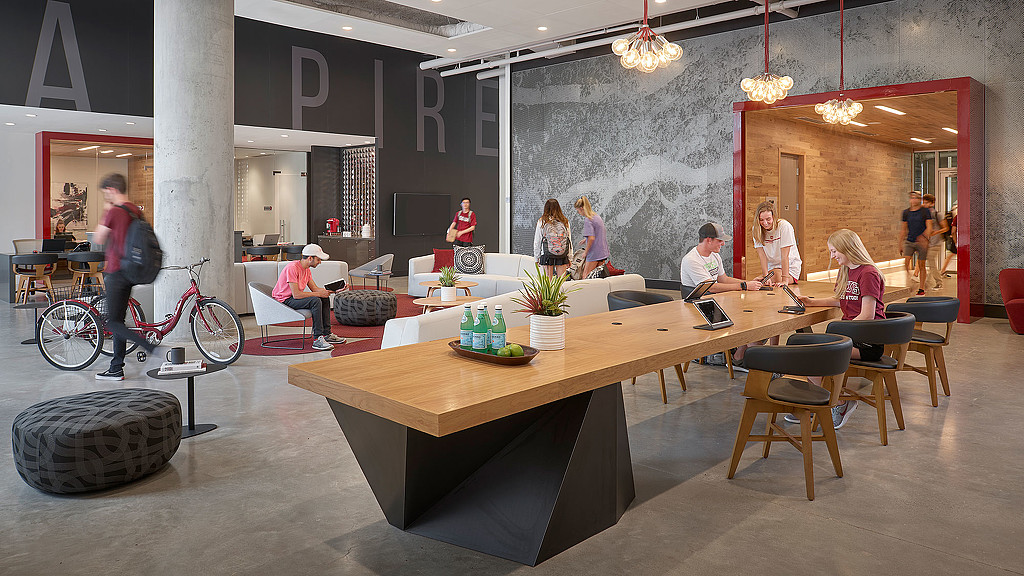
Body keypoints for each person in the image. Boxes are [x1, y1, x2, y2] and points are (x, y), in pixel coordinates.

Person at [795, 228, 887, 429]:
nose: (832, 256)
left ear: (848, 249)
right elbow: (840, 301)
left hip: (867, 341)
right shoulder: (846, 270)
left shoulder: (868, 273)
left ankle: (838, 404)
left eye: (834, 251)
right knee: (808, 351)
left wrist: (839, 332)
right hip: (851, 336)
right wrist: (812, 302)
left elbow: (867, 315)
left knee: (815, 355)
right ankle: (819, 403)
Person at [93, 173, 158, 381]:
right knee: (118, 320)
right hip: (131, 271)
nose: (106, 197)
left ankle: (150, 348)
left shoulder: (114, 211)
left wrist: (105, 211)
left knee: (112, 323)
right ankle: (116, 367)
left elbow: (98, 237)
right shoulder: (135, 210)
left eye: (106, 193)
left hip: (115, 271)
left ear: (112, 190)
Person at [679, 222, 763, 369]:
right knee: (748, 318)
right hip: (699, 308)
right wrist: (744, 286)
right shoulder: (691, 260)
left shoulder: (714, 256)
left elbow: (723, 279)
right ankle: (747, 361)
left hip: (715, 301)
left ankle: (740, 356)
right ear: (708, 240)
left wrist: (748, 282)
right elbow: (711, 288)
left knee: (756, 316)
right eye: (720, 240)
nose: (723, 243)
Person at [272, 244, 347, 351]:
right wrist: (319, 294)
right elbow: (296, 295)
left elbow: (315, 290)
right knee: (315, 300)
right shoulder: (292, 268)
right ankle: (317, 339)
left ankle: (327, 334)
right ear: (310, 258)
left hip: (292, 298)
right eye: (318, 259)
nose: (320, 262)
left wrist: (335, 291)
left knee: (323, 298)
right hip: (283, 300)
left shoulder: (306, 269)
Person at [751, 201, 802, 287]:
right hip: (773, 268)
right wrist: (765, 276)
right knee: (763, 280)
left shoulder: (784, 226)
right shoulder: (756, 229)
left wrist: (785, 280)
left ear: (774, 217)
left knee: (776, 276)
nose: (765, 223)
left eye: (768, 219)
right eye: (761, 220)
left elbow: (785, 256)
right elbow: (762, 256)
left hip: (790, 267)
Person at [900, 191, 933, 296]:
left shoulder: (925, 211)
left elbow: (929, 227)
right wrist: (900, 243)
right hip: (910, 240)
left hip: (922, 241)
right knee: (906, 261)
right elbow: (904, 229)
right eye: (912, 198)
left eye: (916, 198)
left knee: (921, 264)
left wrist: (924, 238)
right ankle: (911, 280)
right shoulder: (906, 212)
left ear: (919, 199)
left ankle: (921, 287)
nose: (914, 200)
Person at [533, 199, 572, 278]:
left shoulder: (542, 221)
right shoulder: (564, 221)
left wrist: (536, 257)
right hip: (562, 254)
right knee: (561, 283)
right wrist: (570, 257)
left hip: (547, 254)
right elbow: (569, 240)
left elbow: (537, 241)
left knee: (548, 283)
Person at [573, 196, 610, 278]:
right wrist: (585, 239)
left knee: (585, 276)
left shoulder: (588, 219)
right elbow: (598, 232)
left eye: (578, 210)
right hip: (603, 251)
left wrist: (585, 252)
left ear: (582, 208)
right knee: (598, 276)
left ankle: (586, 291)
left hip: (594, 253)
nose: (578, 213)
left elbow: (591, 238)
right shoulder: (596, 217)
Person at [922, 194, 949, 291]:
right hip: (927, 243)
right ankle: (927, 282)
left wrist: (935, 232)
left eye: (927, 202)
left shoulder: (938, 214)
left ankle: (938, 282)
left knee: (931, 262)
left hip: (936, 242)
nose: (925, 204)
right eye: (924, 202)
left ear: (932, 203)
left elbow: (946, 228)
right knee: (929, 262)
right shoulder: (923, 214)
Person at [940, 202, 957, 278]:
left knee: (951, 254)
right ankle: (943, 270)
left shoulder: (953, 210)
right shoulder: (957, 211)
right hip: (956, 237)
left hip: (954, 237)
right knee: (952, 254)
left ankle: (943, 270)